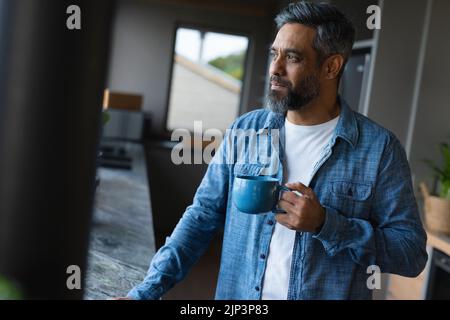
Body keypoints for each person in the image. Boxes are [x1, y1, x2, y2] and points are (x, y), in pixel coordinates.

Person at [122, 1, 427, 300]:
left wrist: (327, 224)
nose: (274, 68)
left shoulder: (380, 149)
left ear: (331, 66)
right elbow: (201, 217)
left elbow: (411, 254)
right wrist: (145, 293)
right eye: (274, 54)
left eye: (292, 57)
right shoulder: (245, 131)